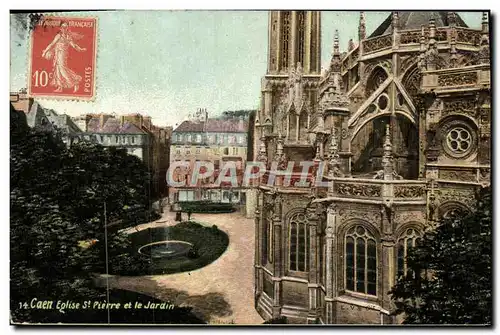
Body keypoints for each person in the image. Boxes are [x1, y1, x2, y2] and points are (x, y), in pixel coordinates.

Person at [41, 21, 87, 93]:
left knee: (62, 69)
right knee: (58, 69)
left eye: (65, 27)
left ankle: (75, 83)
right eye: (63, 27)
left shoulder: (68, 36)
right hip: (57, 54)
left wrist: (80, 49)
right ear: (60, 28)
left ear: (67, 28)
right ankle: (60, 87)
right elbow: (52, 44)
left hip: (63, 54)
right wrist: (45, 51)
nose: (64, 29)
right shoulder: (58, 36)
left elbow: (73, 45)